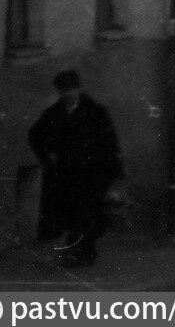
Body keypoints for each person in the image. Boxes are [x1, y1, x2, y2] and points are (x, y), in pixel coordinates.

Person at [27, 70, 123, 265]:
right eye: (63, 91)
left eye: (71, 90)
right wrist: (47, 155)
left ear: (78, 89)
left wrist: (116, 174)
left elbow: (110, 143)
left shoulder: (96, 112)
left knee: (88, 214)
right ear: (59, 92)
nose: (68, 94)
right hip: (65, 175)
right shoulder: (53, 114)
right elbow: (35, 135)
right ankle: (80, 252)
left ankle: (79, 252)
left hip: (92, 174)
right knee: (72, 215)